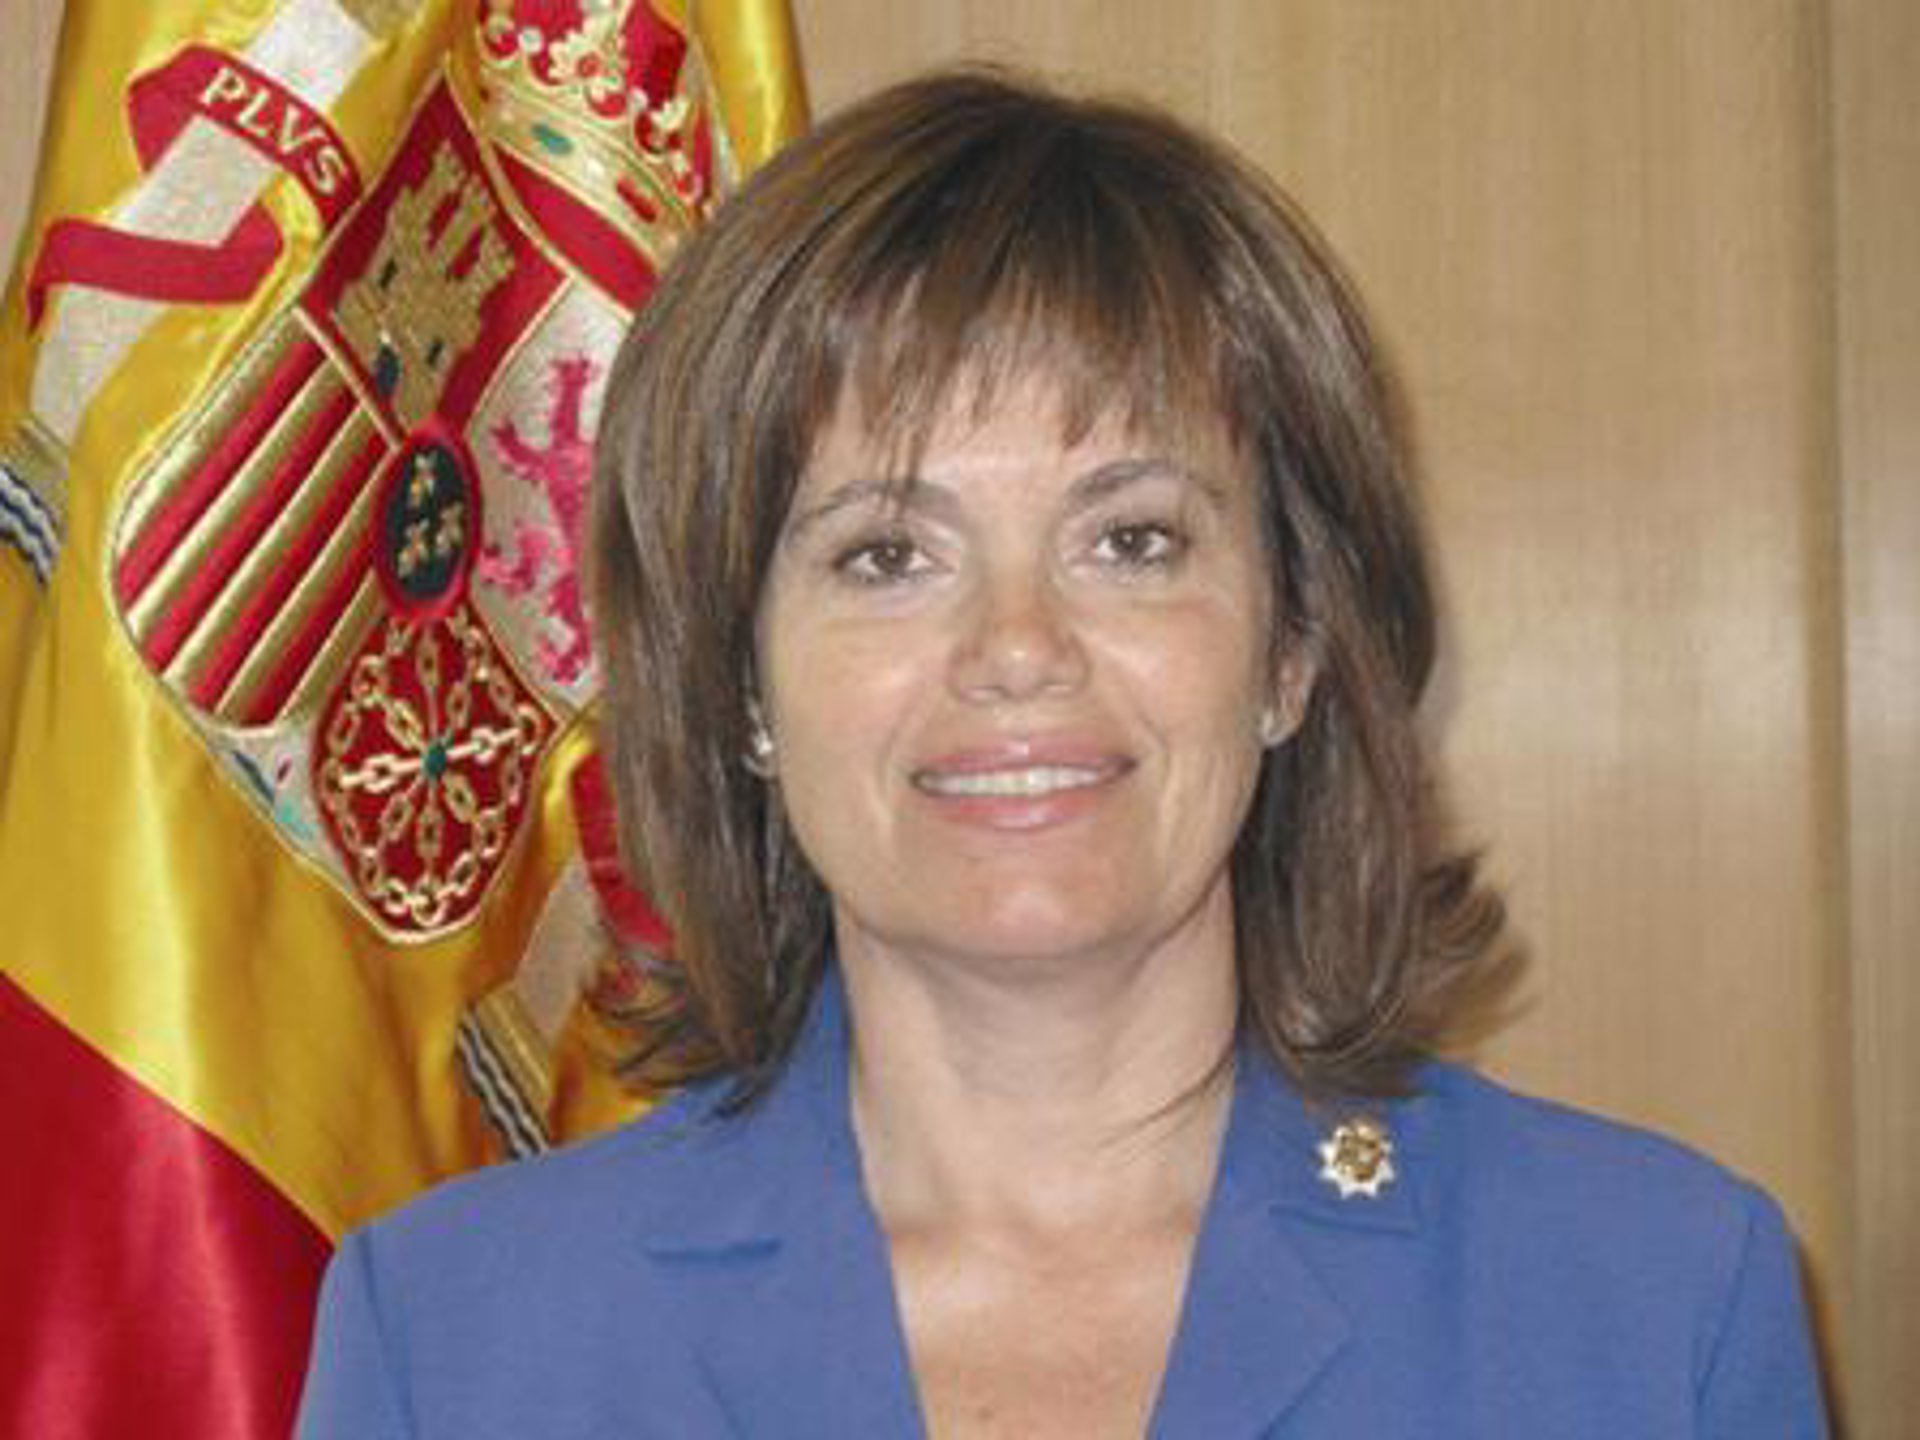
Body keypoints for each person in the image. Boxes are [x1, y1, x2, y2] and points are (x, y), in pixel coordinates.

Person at [296, 70, 1828, 1438]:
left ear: (1292, 647)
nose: (1018, 646)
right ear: (740, 684)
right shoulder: (455, 1344)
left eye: (1133, 539)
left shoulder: (1656, 1305)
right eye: (888, 555)